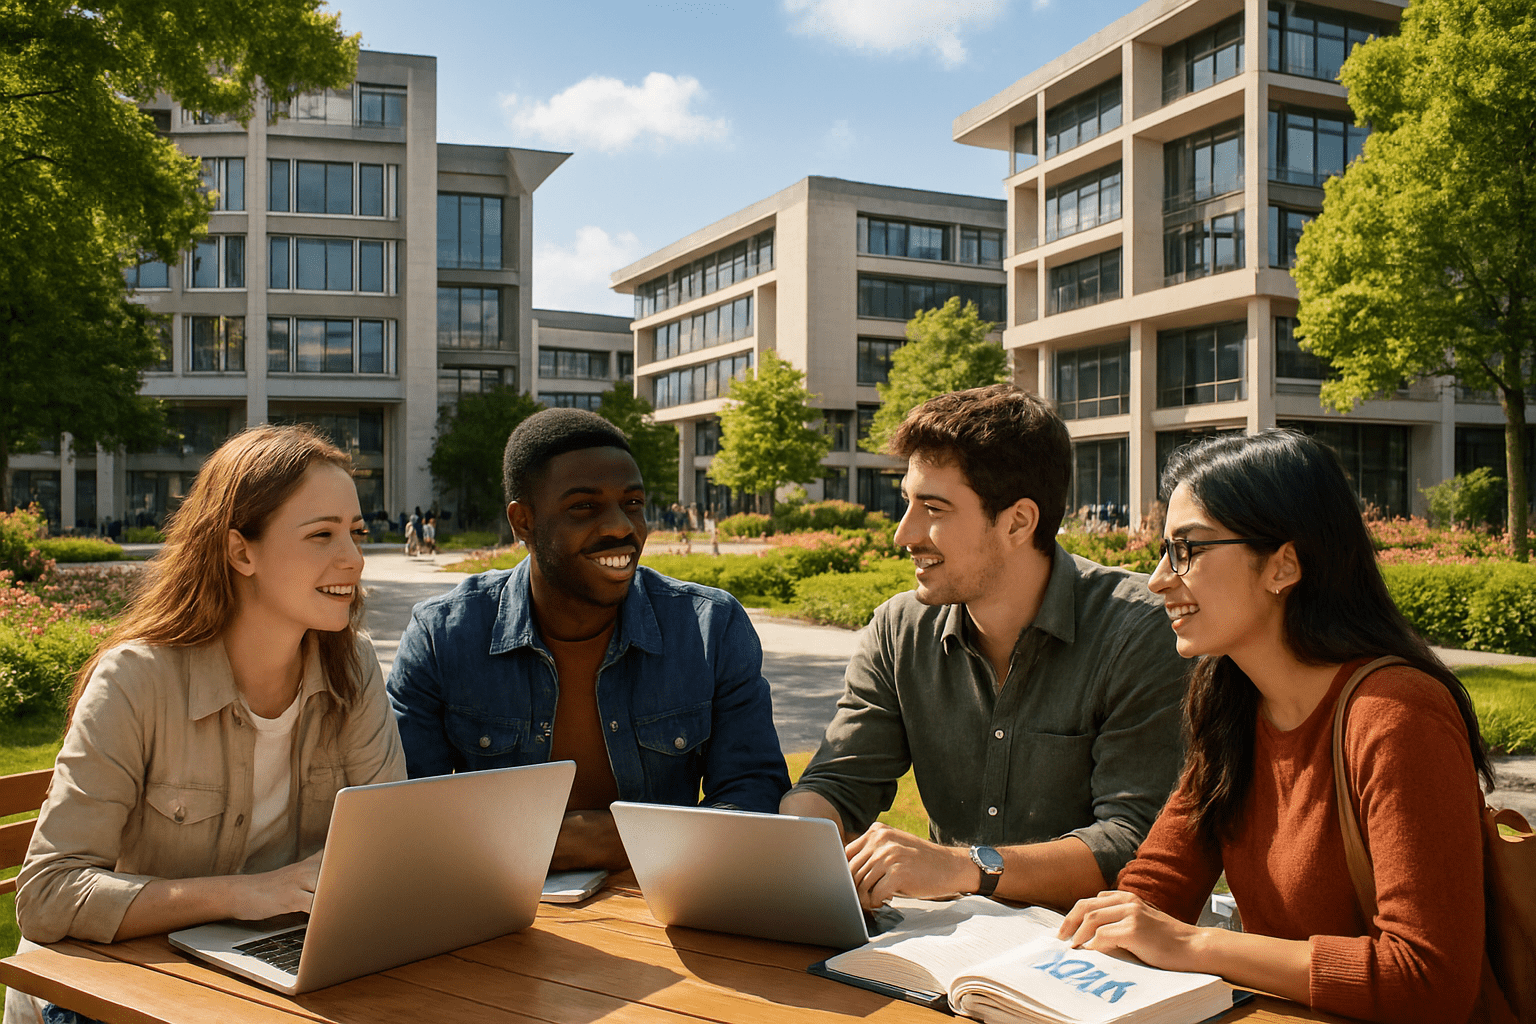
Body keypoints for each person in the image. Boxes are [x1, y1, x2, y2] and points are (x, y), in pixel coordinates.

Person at [1058, 429, 1500, 1024]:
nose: (1160, 578)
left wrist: (1194, 945)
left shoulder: (1396, 715)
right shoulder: (1232, 701)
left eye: (1187, 550)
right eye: (1164, 550)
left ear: (1283, 565)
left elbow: (1428, 978)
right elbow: (1158, 885)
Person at [8, 425, 405, 1024]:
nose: (352, 558)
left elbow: (389, 851)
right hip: (108, 988)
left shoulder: (352, 665)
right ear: (241, 551)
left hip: (261, 978)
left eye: (355, 532)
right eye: (322, 534)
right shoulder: (136, 679)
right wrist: (246, 895)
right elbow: (46, 895)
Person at [781, 385, 1188, 911]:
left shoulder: (1139, 631)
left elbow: (1133, 842)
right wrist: (792, 839)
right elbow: (841, 781)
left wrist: (961, 867)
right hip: (948, 948)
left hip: (1092, 959)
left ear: (1018, 522)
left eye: (933, 508)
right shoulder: (898, 629)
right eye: (908, 502)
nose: (904, 534)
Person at [388, 408, 790, 872]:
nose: (622, 527)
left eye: (633, 503)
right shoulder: (444, 635)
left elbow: (755, 798)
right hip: (493, 913)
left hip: (662, 912)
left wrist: (600, 842)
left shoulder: (709, 627)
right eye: (585, 506)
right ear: (523, 522)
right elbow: (404, 816)